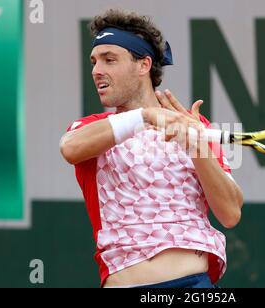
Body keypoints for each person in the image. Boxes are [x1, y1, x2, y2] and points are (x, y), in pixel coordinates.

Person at [59, 8, 243, 288]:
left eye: (110, 60)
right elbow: (70, 148)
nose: (97, 70)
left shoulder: (196, 125)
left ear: (143, 65)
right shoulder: (93, 127)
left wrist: (196, 146)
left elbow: (230, 213)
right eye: (94, 61)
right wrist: (144, 117)